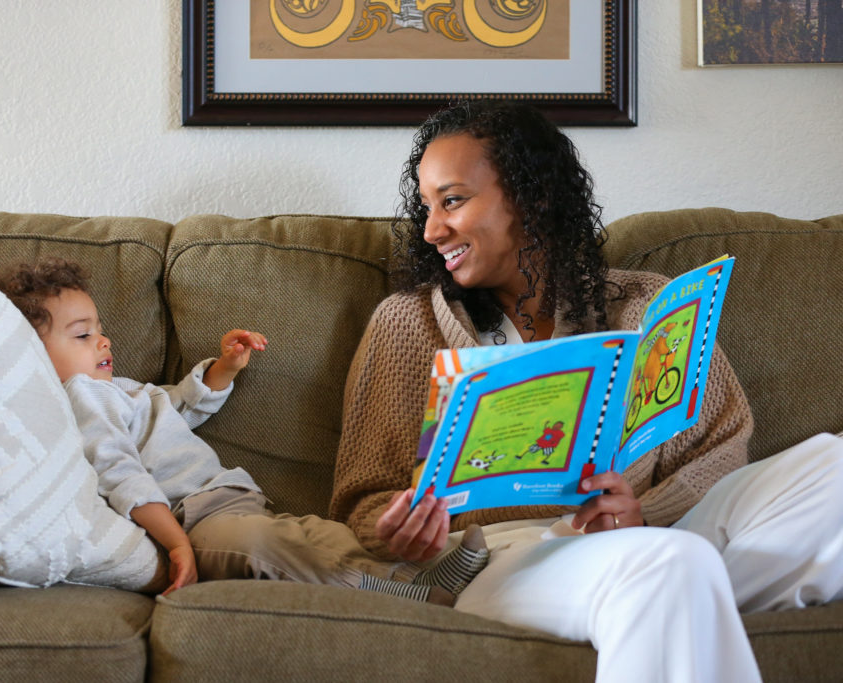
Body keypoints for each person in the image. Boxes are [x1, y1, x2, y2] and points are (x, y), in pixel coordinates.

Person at [328, 100, 843, 682]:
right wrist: (403, 535)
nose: (431, 230)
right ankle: (674, 588)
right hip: (507, 559)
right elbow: (360, 499)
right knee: (672, 564)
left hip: (653, 533)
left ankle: (674, 596)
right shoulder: (407, 323)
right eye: (426, 206)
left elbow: (721, 446)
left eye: (452, 201)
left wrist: (643, 514)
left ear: (533, 199)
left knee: (834, 466)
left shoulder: (645, 304)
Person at [0, 257, 488, 604]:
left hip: (231, 499)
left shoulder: (120, 390)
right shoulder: (84, 396)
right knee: (263, 547)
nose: (103, 340)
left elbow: (178, 406)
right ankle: (404, 596)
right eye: (83, 334)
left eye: (99, 328)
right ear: (33, 355)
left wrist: (223, 368)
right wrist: (176, 544)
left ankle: (424, 573)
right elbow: (119, 472)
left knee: (319, 537)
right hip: (195, 520)